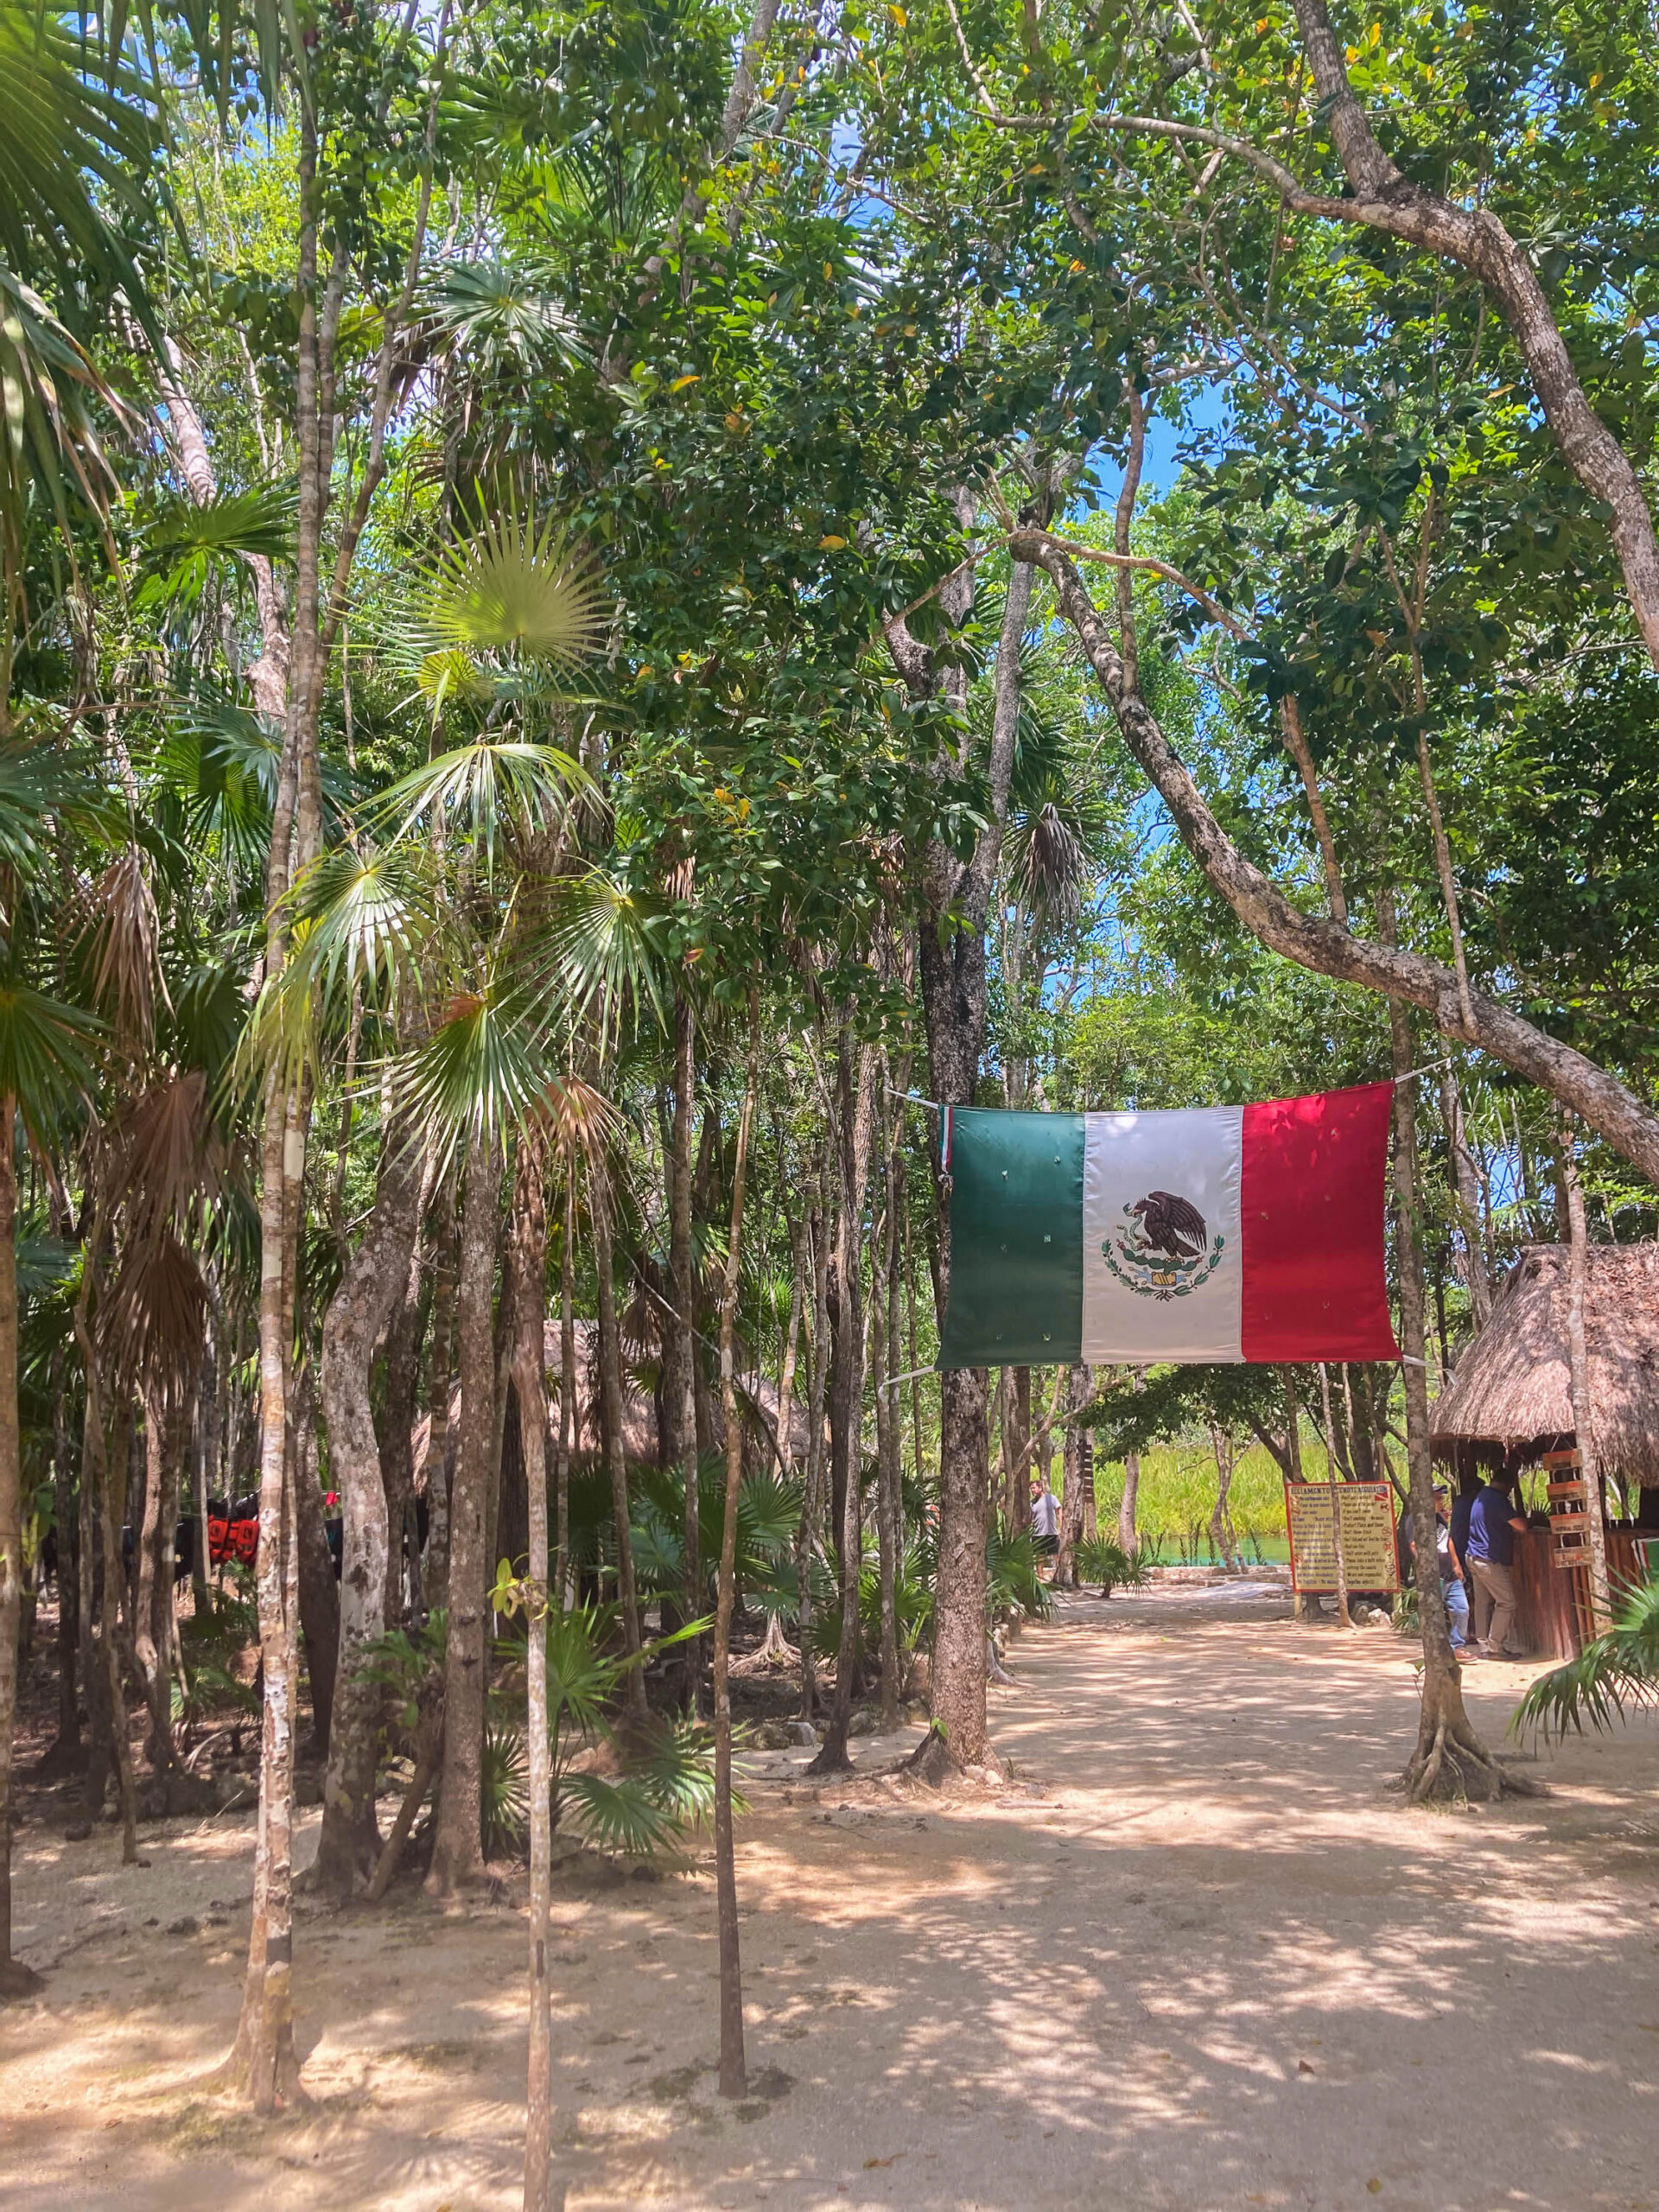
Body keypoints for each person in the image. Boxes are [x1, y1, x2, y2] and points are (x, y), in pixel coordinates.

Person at [1465, 1468, 1530, 1659]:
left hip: (1473, 1556)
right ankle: (1495, 1647)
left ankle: (1484, 1645)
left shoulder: (1482, 1496)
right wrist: (1532, 1520)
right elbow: (1521, 1526)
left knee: (1483, 1603)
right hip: (1488, 1560)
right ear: (1507, 1484)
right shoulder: (1498, 1500)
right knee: (1507, 1602)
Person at [1030, 1476, 1060, 1558]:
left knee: (1056, 1555)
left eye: (1034, 1488)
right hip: (1038, 1534)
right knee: (1039, 1557)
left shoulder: (1051, 1499)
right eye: (1031, 1489)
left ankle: (1059, 1570)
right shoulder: (1032, 1503)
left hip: (1051, 1533)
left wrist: (1061, 1527)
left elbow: (1059, 1512)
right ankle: (1040, 1571)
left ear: (1040, 1488)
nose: (1032, 1491)